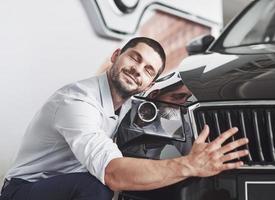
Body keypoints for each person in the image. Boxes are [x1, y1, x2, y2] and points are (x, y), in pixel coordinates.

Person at [0, 37, 249, 200]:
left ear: (149, 84)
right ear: (116, 55)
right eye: (134, 58)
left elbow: (170, 102)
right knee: (96, 187)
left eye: (148, 70)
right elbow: (113, 174)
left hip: (67, 185)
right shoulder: (76, 101)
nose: (137, 70)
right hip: (24, 190)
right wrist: (190, 164)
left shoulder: (131, 103)